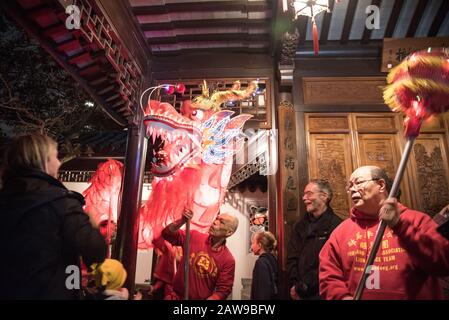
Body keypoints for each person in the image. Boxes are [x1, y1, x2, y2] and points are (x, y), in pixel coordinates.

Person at [0, 134, 107, 299]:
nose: (59, 162)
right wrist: (92, 225)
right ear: (43, 161)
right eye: (55, 157)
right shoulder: (62, 203)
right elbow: (96, 252)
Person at [319, 165, 449, 300]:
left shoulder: (416, 220)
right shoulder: (342, 231)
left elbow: (443, 263)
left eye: (358, 183)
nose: (352, 189)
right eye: (350, 185)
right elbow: (328, 274)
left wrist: (400, 226)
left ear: (381, 185)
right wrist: (341, 297)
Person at [161, 209, 238, 300]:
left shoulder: (228, 260)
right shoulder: (194, 237)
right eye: (216, 219)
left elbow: (224, 290)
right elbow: (167, 234)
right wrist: (182, 221)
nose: (215, 222)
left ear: (229, 232)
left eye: (221, 222)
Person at [287, 179, 342, 300]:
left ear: (324, 196)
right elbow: (292, 258)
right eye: (304, 194)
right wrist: (295, 286)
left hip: (323, 292)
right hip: (297, 293)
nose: (304, 198)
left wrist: (305, 286)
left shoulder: (337, 226)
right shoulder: (300, 226)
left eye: (309, 193)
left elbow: (332, 264)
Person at [250, 231, 279, 300]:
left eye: (253, 243)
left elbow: (262, 292)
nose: (251, 246)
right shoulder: (272, 259)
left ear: (260, 245)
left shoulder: (261, 263)